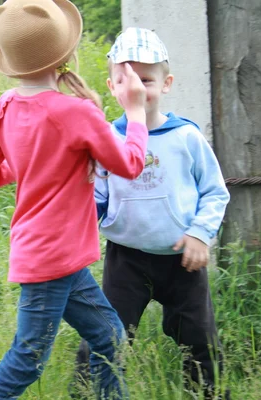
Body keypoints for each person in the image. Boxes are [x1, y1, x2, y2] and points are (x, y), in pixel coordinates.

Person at [0, 1, 150, 398]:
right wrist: (135, 113)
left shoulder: (5, 107)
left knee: (111, 339)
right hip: (53, 259)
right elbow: (131, 163)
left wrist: (34, 164)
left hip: (56, 256)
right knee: (27, 360)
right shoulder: (77, 113)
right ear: (65, 55)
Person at [73, 27, 231, 400]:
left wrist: (199, 233)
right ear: (111, 86)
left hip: (183, 260)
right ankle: (87, 392)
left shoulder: (186, 138)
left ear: (167, 83)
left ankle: (207, 395)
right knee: (106, 332)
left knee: (199, 339)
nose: (137, 90)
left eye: (146, 80)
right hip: (126, 259)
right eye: (126, 80)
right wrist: (78, 235)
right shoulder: (107, 140)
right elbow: (95, 198)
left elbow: (214, 192)